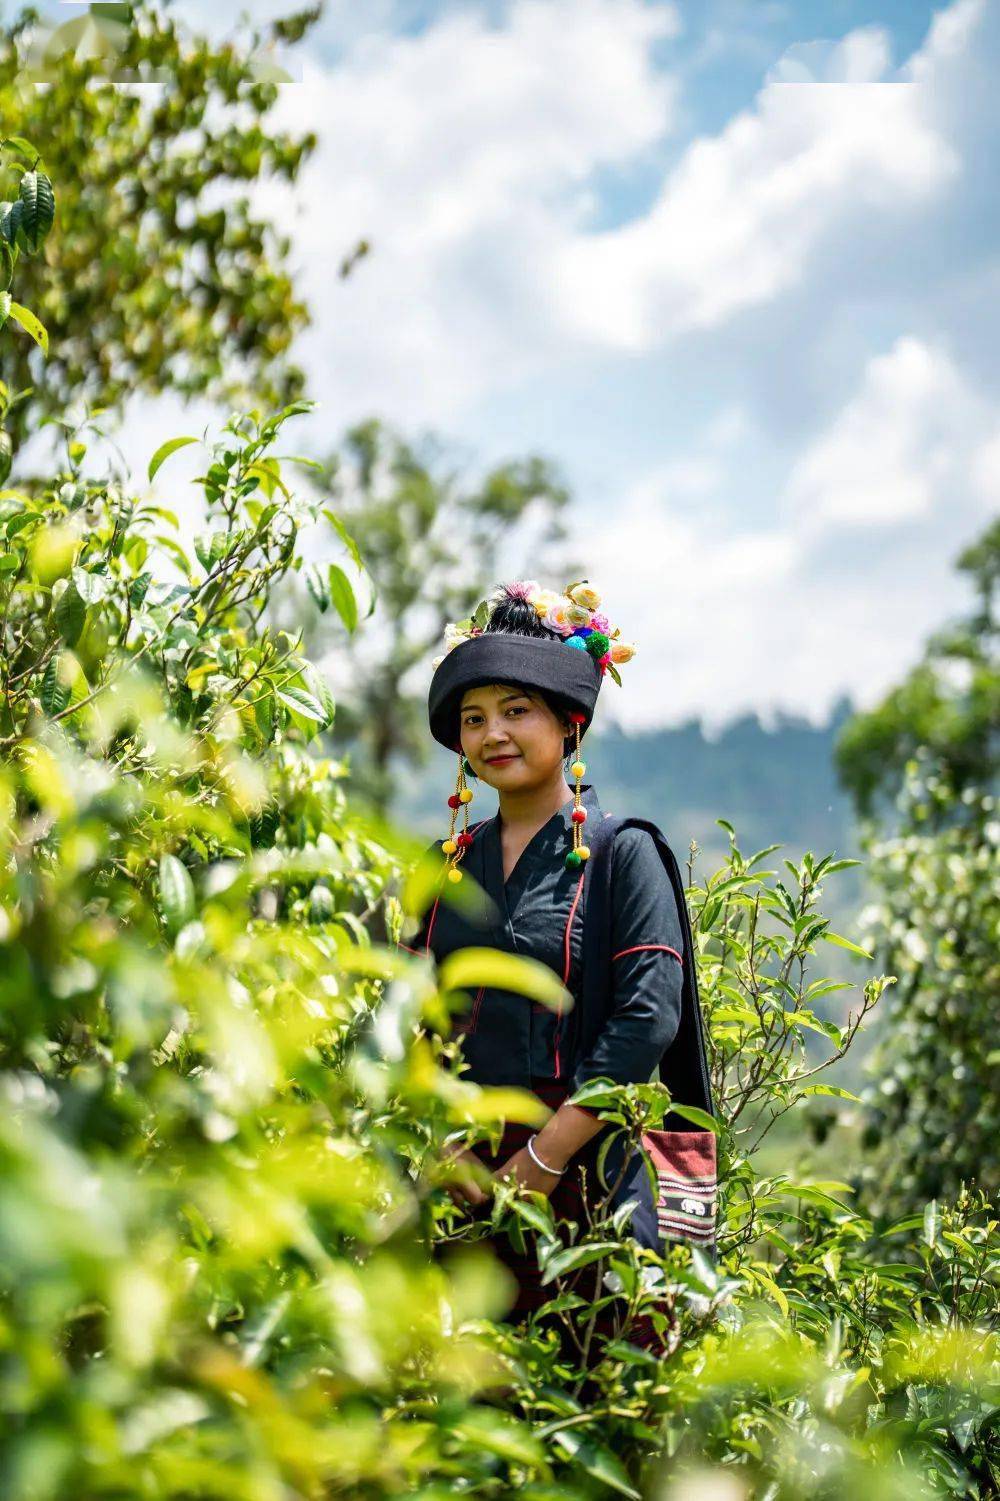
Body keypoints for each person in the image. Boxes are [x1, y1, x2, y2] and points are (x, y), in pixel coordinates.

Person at [401, 578, 691, 1348]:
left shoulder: (624, 855)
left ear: (568, 724)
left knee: (603, 1403)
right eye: (473, 717)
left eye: (515, 710)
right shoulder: (442, 867)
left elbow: (646, 1017)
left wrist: (544, 1156)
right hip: (461, 1189)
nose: (492, 732)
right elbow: (406, 1010)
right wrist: (449, 1144)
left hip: (593, 1185)